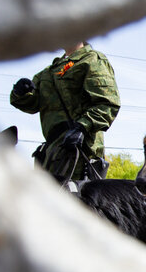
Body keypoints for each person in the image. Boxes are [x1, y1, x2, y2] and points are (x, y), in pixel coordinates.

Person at [10, 41, 120, 183]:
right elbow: (31, 105)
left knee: (77, 199)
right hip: (52, 153)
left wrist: (82, 127)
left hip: (79, 150)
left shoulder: (92, 60)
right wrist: (21, 92)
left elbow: (108, 103)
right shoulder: (48, 72)